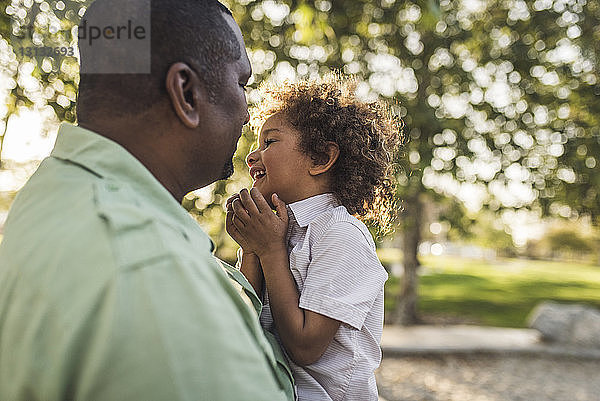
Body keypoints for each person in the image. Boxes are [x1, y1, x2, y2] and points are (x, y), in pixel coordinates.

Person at [0, 0, 293, 399]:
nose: (247, 114)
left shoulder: (54, 190)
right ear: (186, 93)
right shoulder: (158, 279)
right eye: (242, 84)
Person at [226, 74, 404, 401]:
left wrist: (269, 251)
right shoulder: (279, 231)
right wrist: (251, 249)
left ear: (321, 158)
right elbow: (242, 323)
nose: (252, 156)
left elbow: (305, 346)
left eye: (270, 142)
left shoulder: (340, 235)